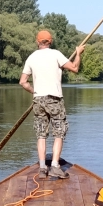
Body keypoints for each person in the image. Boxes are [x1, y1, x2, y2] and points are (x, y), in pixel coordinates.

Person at [19, 29, 85, 178]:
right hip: (54, 99)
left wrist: (34, 92)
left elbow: (23, 82)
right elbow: (75, 68)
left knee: (41, 134)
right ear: (51, 41)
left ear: (37, 42)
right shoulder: (56, 54)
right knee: (59, 132)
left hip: (38, 100)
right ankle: (55, 166)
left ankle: (43, 168)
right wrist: (78, 53)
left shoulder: (31, 57)